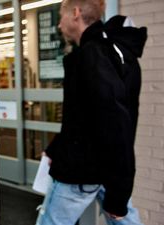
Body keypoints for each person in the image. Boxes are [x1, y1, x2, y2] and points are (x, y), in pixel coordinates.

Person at [35, 0, 148, 224]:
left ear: (76, 14)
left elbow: (116, 123)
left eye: (61, 16)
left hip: (80, 173)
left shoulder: (92, 56)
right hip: (105, 169)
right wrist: (55, 149)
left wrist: (119, 195)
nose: (58, 25)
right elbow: (83, 119)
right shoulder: (113, 52)